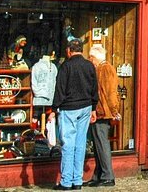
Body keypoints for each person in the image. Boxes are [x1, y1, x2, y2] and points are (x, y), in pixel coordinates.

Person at [53, 38, 97, 191]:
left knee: (68, 144)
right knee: (80, 143)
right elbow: (94, 88)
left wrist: (54, 108)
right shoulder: (89, 65)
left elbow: (59, 89)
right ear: (82, 50)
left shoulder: (66, 66)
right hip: (86, 106)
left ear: (68, 51)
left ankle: (66, 182)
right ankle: (77, 180)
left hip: (69, 107)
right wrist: (93, 108)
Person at [86, 45, 120, 187]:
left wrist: (114, 110)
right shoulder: (101, 68)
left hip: (103, 112)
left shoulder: (105, 69)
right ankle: (99, 175)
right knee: (98, 145)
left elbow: (110, 92)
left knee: (102, 144)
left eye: (91, 58)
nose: (90, 60)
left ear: (95, 58)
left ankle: (107, 176)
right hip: (99, 111)